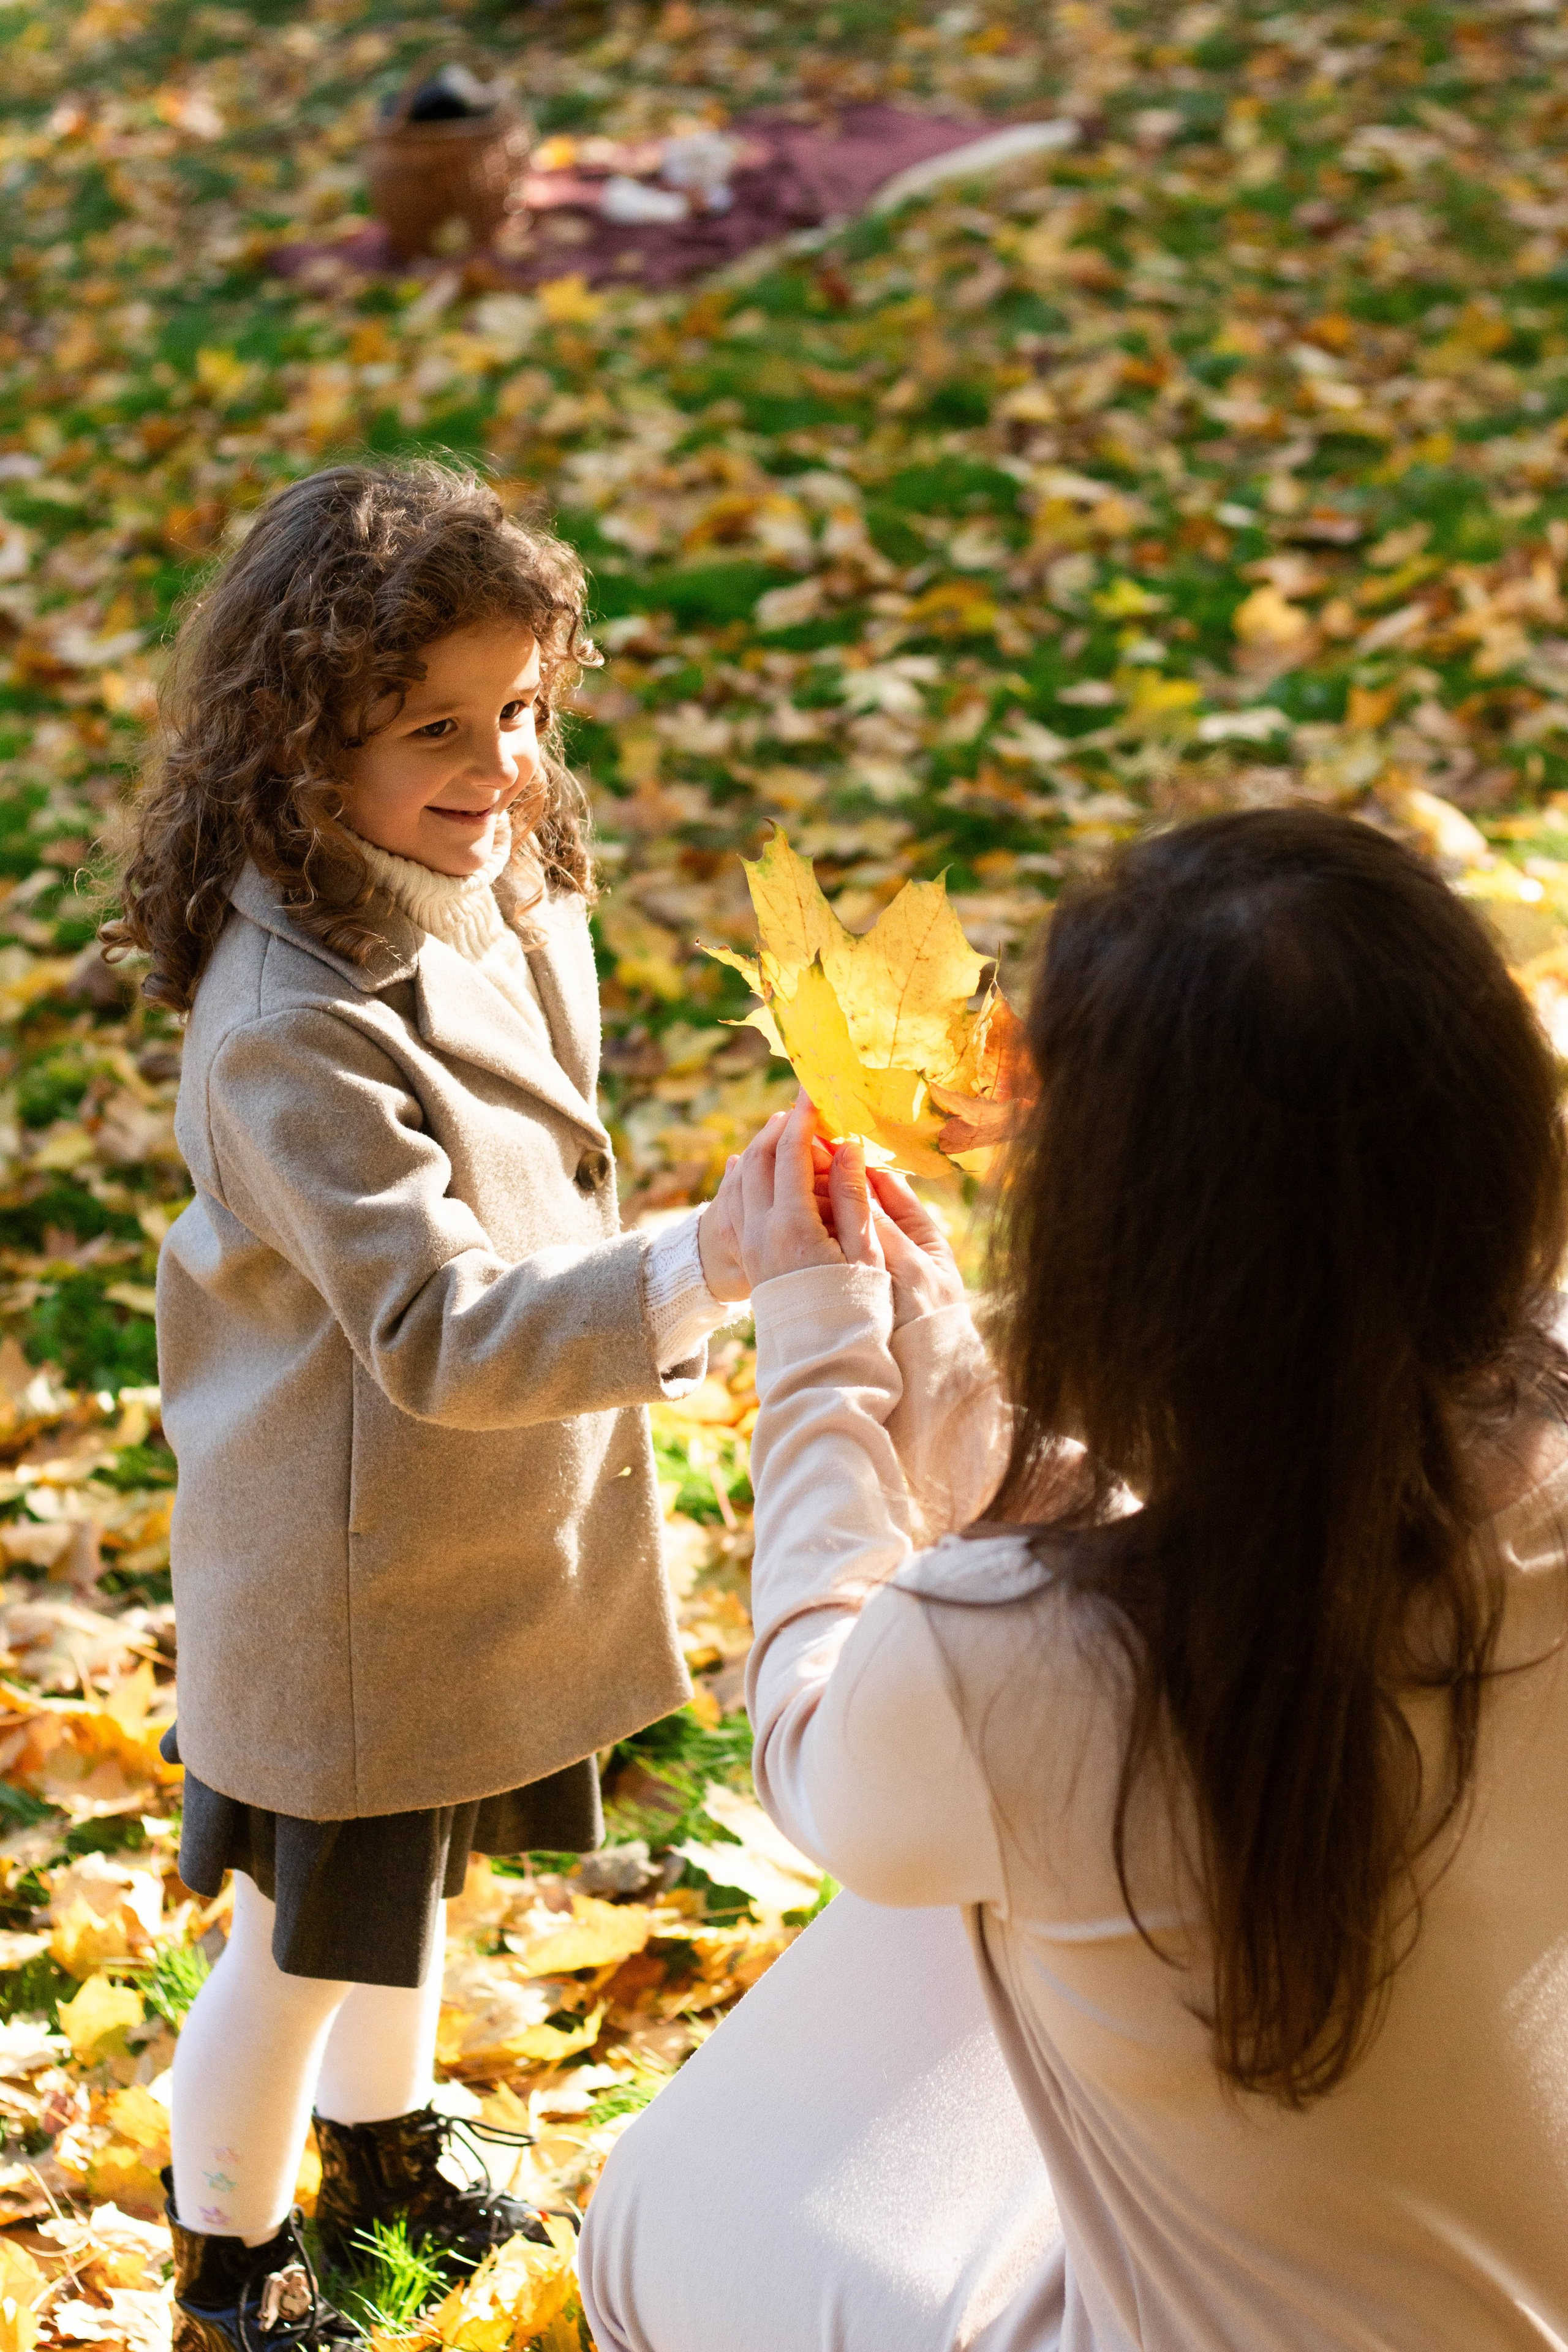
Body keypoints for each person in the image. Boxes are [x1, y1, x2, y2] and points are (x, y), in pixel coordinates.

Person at [580, 811, 1568, 2351]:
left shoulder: (999, 1660)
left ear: (1124, 1235)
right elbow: (1262, 1514)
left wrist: (824, 1348)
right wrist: (969, 1401)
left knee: (653, 2207)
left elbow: (810, 1749)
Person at [102, 459, 755, 2352]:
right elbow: (438, 1326)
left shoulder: (500, 888)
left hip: (470, 1539)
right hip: (353, 1563)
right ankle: (228, 2251)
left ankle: (386, 2147)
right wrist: (703, 1265)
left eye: (524, 712)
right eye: (435, 729)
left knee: (421, 1881)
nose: (501, 768)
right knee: (302, 1947)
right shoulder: (289, 1019)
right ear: (304, 751)